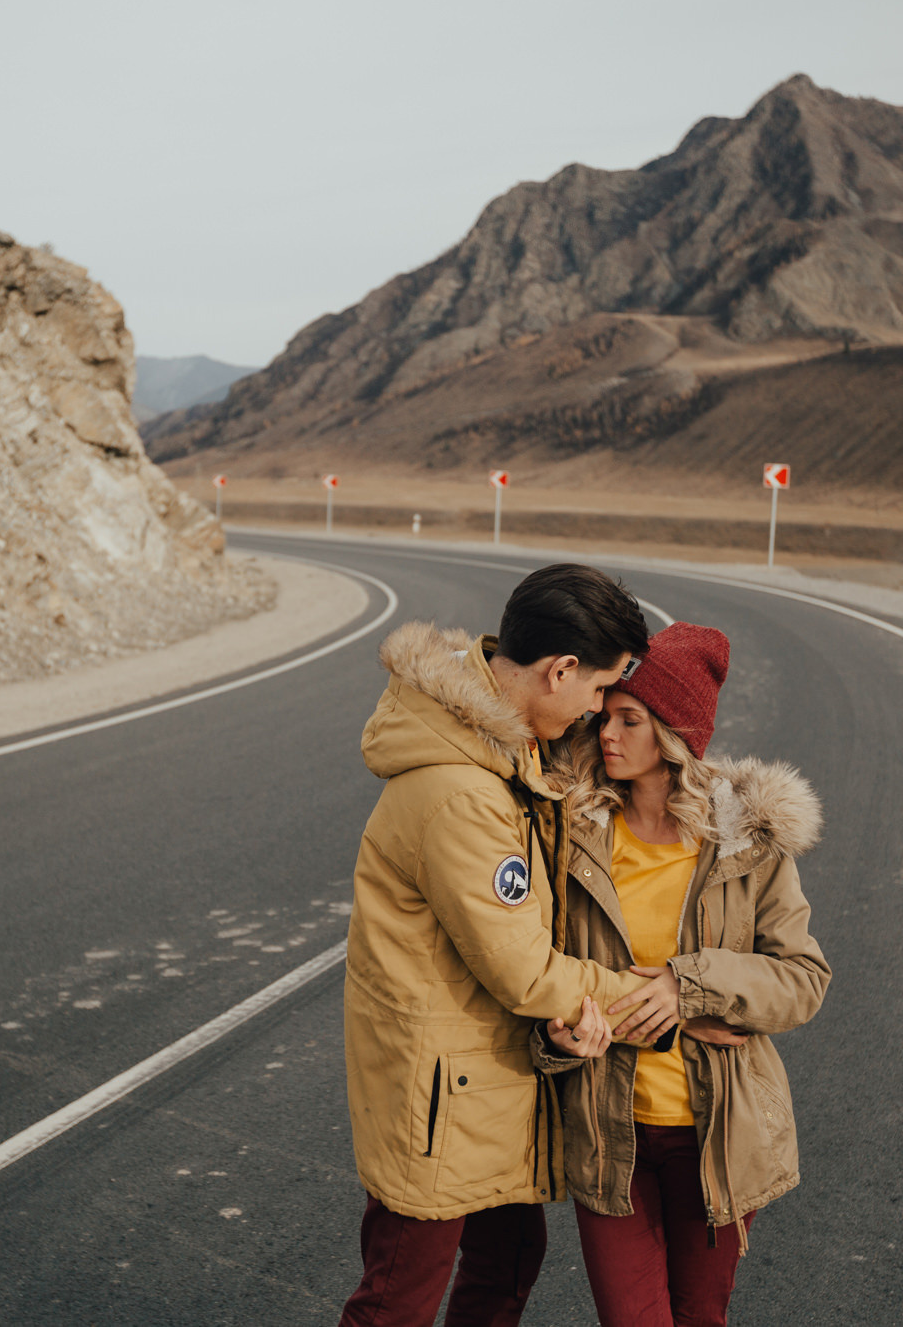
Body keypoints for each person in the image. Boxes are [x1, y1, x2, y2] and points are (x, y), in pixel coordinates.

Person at [339, 563, 681, 1327]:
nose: (599, 712)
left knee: (508, 1258)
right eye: (599, 691)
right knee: (397, 1298)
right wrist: (653, 993)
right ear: (559, 669)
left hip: (479, 1078)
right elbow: (524, 967)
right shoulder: (463, 792)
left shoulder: (507, 747)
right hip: (439, 1095)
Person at [537, 621, 830, 1327]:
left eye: (629, 719)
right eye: (606, 716)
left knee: (700, 1317)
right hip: (612, 1133)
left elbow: (802, 977)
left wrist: (686, 986)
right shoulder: (573, 833)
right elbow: (540, 968)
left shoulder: (746, 845)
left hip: (717, 1136)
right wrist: (557, 1032)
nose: (607, 732)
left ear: (675, 734)